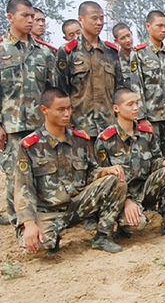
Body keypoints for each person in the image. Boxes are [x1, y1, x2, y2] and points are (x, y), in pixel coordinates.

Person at [14, 88, 127, 254]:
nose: (67, 113)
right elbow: (23, 189)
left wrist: (105, 171)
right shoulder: (30, 146)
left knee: (116, 180)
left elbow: (91, 172)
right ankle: (53, 236)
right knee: (39, 248)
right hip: (48, 211)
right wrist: (29, 223)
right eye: (61, 109)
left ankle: (103, 235)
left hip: (77, 206)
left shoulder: (79, 140)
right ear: (44, 110)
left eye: (69, 108)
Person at [95, 88, 165, 237]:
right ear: (116, 108)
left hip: (145, 190)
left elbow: (155, 160)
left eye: (137, 103)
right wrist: (127, 200)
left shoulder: (146, 134)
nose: (136, 108)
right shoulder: (106, 140)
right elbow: (104, 180)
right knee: (136, 226)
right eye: (130, 104)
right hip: (120, 196)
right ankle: (118, 227)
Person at [0, 0, 57, 227]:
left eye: (32, 16)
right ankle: (19, 224)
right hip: (12, 126)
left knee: (42, 173)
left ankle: (41, 219)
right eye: (25, 15)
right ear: (10, 17)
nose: (30, 20)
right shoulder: (1, 50)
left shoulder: (44, 53)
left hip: (40, 126)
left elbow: (52, 91)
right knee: (15, 175)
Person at [55, 1, 123, 139]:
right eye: (94, 18)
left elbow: (120, 89)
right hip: (79, 127)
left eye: (102, 18)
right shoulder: (68, 52)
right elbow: (61, 91)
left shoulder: (111, 52)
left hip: (109, 128)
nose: (99, 22)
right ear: (81, 19)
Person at [130, 10, 165, 156]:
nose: (163, 30)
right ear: (148, 26)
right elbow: (137, 86)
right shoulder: (139, 53)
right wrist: (141, 117)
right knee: (153, 158)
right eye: (159, 25)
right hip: (151, 118)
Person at [112, 22, 134, 87]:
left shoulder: (141, 56)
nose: (127, 40)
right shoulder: (115, 60)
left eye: (128, 36)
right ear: (116, 41)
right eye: (122, 38)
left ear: (131, 34)